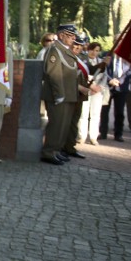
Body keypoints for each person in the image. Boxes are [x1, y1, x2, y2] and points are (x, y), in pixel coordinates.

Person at [40, 23, 79, 165]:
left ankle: (56, 150)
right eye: (71, 36)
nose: (73, 38)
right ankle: (48, 151)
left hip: (68, 94)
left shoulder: (64, 50)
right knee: (56, 124)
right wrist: (59, 94)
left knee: (63, 125)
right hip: (58, 94)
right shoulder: (55, 50)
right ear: (62, 35)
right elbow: (54, 73)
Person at [62, 35, 96, 159]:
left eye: (80, 46)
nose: (77, 49)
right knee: (67, 122)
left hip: (79, 96)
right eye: (75, 46)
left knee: (74, 122)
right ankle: (62, 147)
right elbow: (65, 77)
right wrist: (79, 87)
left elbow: (88, 71)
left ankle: (70, 147)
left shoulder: (81, 58)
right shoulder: (66, 57)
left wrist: (102, 64)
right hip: (70, 93)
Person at [103, 55, 131, 142]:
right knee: (104, 110)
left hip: (122, 87)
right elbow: (103, 70)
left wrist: (119, 81)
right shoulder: (108, 56)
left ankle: (118, 134)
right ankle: (103, 132)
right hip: (108, 86)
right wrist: (110, 80)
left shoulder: (128, 58)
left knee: (119, 112)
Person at [84, 41, 109, 145]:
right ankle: (82, 135)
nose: (94, 53)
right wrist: (90, 86)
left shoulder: (102, 62)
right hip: (86, 89)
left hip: (98, 91)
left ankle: (94, 136)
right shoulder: (83, 61)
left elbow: (105, 76)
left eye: (97, 51)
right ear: (88, 50)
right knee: (84, 113)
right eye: (92, 50)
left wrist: (99, 87)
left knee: (96, 114)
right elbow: (82, 75)